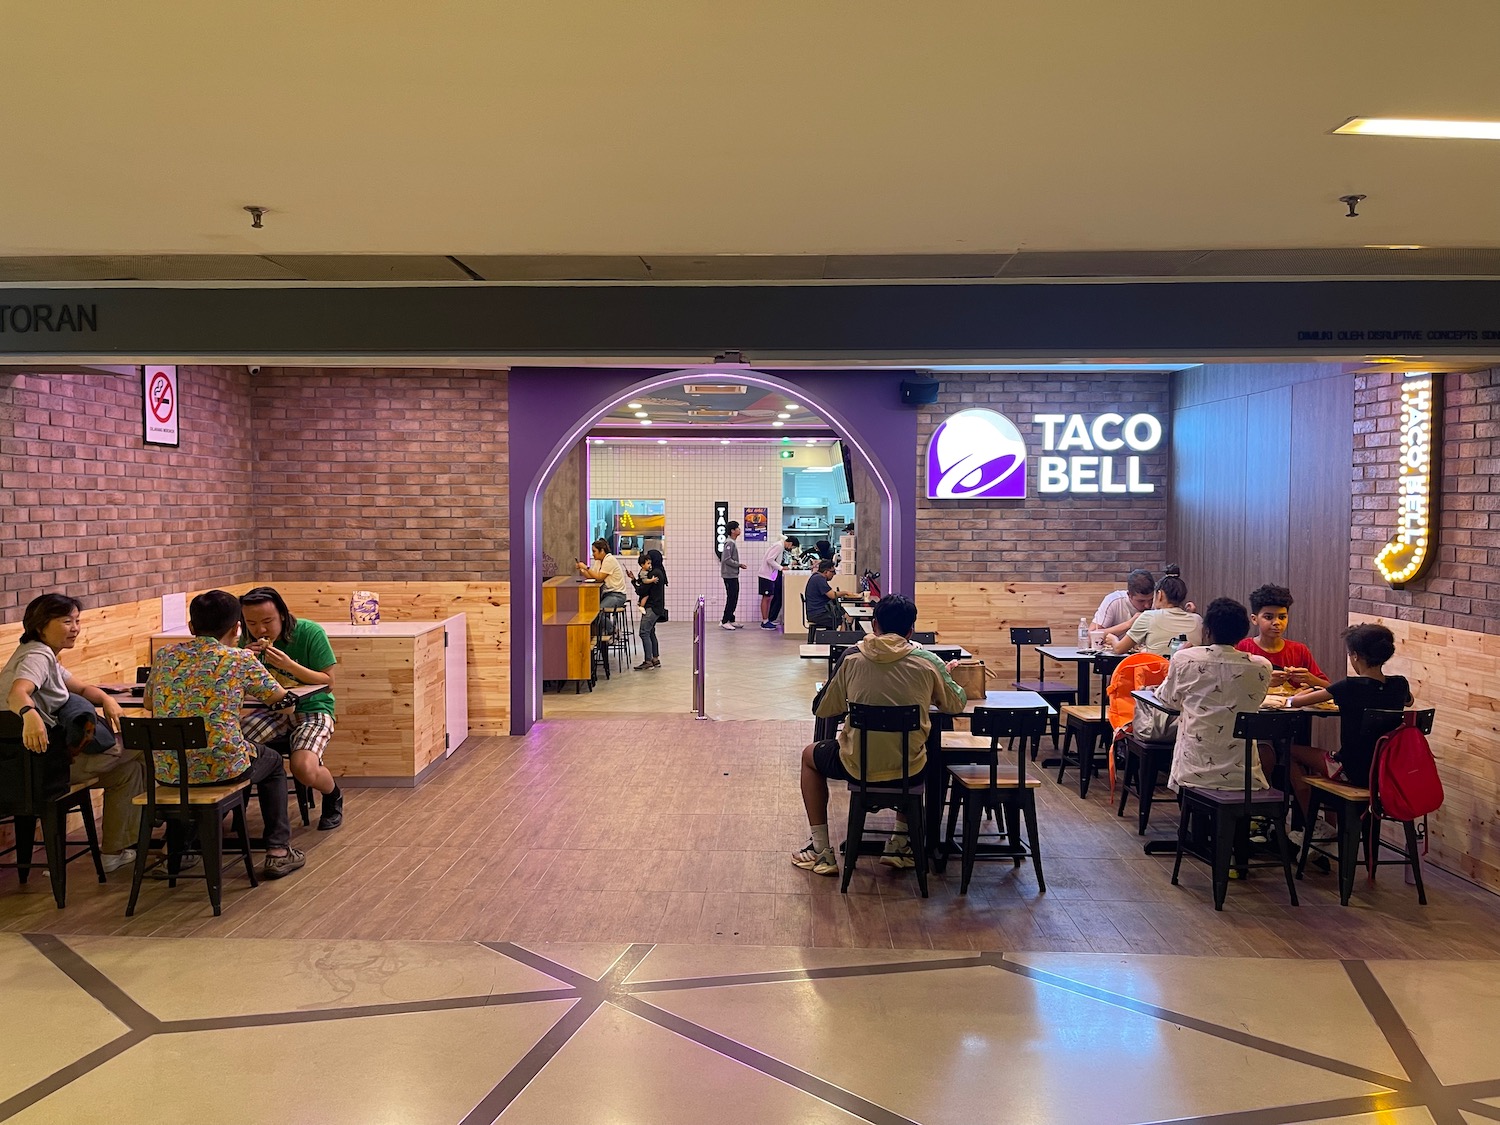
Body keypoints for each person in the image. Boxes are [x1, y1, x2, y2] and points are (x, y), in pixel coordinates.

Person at [794, 594, 967, 876]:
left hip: (855, 766)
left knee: (809, 756)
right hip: (910, 770)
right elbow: (955, 704)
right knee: (916, 748)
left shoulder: (852, 659)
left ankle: (820, 850)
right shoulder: (928, 662)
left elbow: (824, 708)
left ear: (874, 625)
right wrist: (946, 676)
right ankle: (900, 844)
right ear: (911, 630)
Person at [146, 590, 305, 878]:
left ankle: (180, 850)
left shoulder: (166, 655)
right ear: (237, 628)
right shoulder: (240, 659)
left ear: (192, 628)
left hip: (167, 770)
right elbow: (278, 700)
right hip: (223, 768)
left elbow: (148, 702)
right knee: (272, 764)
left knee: (188, 765)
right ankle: (278, 851)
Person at [1, 593, 146, 873]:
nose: (75, 628)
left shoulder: (42, 655)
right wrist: (29, 715)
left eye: (77, 621)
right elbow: (18, 691)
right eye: (67, 621)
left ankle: (114, 853)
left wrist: (107, 700)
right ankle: (172, 832)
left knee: (126, 773)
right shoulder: (37, 655)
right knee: (145, 748)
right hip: (41, 767)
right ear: (41, 625)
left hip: (30, 765)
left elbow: (80, 688)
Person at [1285, 623, 1412, 839]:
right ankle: (1327, 828)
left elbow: (1295, 702)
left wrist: (1295, 693)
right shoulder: (1400, 684)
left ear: (1354, 656)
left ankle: (1316, 824)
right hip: (1385, 774)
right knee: (1318, 760)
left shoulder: (1348, 687)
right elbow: (1409, 702)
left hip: (1351, 772)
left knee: (1289, 751)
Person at [238, 586, 344, 831]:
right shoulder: (246, 641)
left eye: (267, 621)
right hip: (271, 710)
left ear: (283, 615)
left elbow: (328, 682)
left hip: (314, 708)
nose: (260, 630)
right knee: (234, 749)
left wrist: (289, 665)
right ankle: (234, 811)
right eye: (251, 623)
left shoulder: (309, 632)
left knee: (303, 768)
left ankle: (333, 796)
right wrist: (242, 660)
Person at [1158, 597, 1273, 793]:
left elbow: (1169, 701)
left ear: (1207, 630)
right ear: (1243, 633)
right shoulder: (1262, 666)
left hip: (1193, 771)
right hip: (1244, 776)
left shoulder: (1186, 659)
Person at [1236, 583, 1330, 690]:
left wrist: (1309, 678)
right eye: (1268, 617)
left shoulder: (1299, 650)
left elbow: (1330, 688)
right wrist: (1264, 682)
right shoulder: (1242, 648)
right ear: (1254, 619)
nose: (1276, 622)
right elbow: (1230, 687)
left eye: (1282, 617)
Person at [1113, 574, 1203, 655]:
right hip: (1190, 672)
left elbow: (1119, 649)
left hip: (1158, 672)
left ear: (1160, 595)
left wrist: (1113, 639)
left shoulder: (1148, 617)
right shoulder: (1198, 620)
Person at [1091, 568, 1156, 640]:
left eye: (1151, 600)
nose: (1147, 605)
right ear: (1129, 595)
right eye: (1141, 601)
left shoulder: (1159, 602)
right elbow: (1091, 636)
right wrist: (1129, 624)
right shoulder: (1114, 601)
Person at [631, 549, 667, 670]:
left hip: (651, 607)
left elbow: (641, 590)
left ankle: (648, 661)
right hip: (658, 607)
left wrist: (633, 581)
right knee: (651, 631)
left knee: (644, 632)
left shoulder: (652, 574)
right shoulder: (660, 571)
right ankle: (655, 658)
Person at [576, 539, 630, 612]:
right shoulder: (599, 561)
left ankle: (608, 624)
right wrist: (581, 569)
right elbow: (591, 576)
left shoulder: (609, 559)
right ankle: (605, 623)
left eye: (594, 551)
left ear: (602, 551)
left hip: (617, 595)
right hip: (606, 594)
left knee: (598, 612)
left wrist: (586, 567)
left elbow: (599, 577)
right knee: (590, 608)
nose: (593, 554)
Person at [804, 559, 856, 633]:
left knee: (845, 614)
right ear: (826, 572)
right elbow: (832, 595)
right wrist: (846, 592)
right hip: (818, 614)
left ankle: (838, 637)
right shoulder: (819, 579)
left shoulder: (815, 577)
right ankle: (841, 639)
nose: (834, 574)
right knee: (846, 617)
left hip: (815, 612)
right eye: (833, 572)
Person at [759, 535, 799, 629]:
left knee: (769, 598)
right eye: (792, 547)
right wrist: (781, 568)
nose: (791, 549)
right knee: (766, 598)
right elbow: (770, 559)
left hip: (770, 575)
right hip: (766, 575)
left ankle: (767, 620)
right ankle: (764, 621)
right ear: (790, 543)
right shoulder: (779, 546)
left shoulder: (780, 546)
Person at [719, 521, 747, 629]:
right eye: (738, 528)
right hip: (729, 575)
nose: (740, 530)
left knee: (734, 597)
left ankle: (731, 619)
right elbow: (726, 559)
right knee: (731, 597)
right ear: (732, 531)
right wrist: (738, 565)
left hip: (733, 574)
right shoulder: (729, 542)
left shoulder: (732, 542)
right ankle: (725, 620)